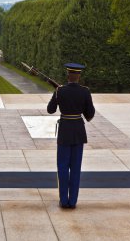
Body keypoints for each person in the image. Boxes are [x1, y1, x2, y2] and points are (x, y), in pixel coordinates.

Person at [47, 63, 95, 209]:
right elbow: (90, 114)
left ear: (68, 76)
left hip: (65, 131)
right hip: (79, 132)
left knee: (62, 167)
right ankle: (72, 201)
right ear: (79, 77)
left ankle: (63, 200)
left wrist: (56, 94)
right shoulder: (85, 91)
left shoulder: (60, 91)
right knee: (75, 168)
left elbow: (50, 110)